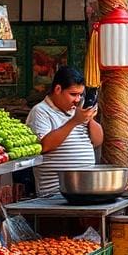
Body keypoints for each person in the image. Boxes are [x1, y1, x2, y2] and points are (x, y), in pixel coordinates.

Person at [25, 66, 103, 197]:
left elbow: (97, 141)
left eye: (80, 94)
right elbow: (44, 146)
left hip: (85, 190)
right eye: (73, 94)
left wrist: (89, 119)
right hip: (55, 193)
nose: (77, 99)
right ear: (58, 89)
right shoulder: (40, 111)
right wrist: (74, 122)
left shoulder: (77, 111)